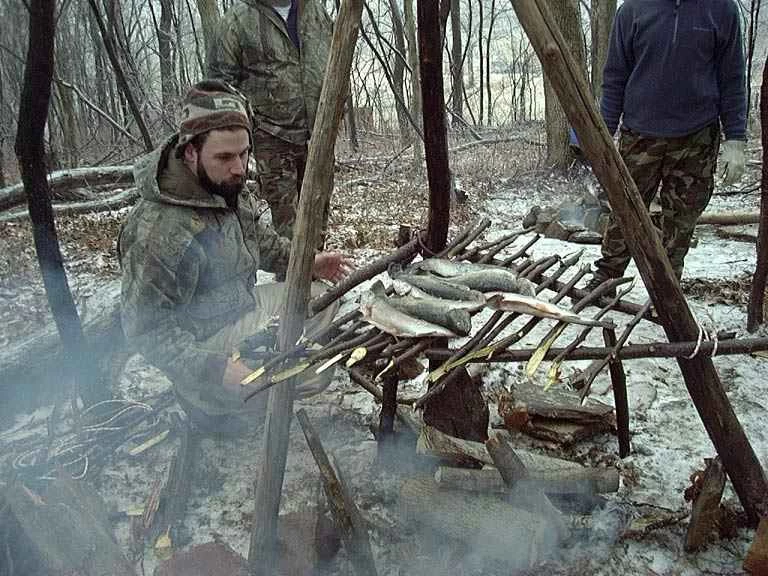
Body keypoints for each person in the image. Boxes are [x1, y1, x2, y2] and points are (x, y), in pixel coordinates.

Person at [119, 80, 350, 431]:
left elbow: (265, 245)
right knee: (306, 375)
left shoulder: (227, 187)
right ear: (190, 152)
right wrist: (214, 370)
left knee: (320, 299)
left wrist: (310, 263)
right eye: (225, 157)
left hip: (240, 310)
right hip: (201, 346)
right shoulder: (159, 231)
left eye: (244, 153)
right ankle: (210, 404)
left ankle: (254, 383)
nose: (240, 168)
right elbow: (146, 329)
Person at [586, 0, 747, 292]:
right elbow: (614, 78)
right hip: (640, 134)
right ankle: (607, 277)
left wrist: (736, 138)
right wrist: (602, 134)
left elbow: (733, 77)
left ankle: (666, 288)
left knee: (681, 219)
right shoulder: (632, 10)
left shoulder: (722, 9)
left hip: (697, 137)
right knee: (625, 209)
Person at [207, 0, 332, 247]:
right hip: (272, 136)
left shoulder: (315, 12)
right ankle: (292, 278)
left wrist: (335, 113)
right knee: (288, 221)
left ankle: (316, 271)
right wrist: (246, 132)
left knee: (319, 210)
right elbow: (219, 87)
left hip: (320, 132)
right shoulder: (238, 20)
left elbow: (333, 61)